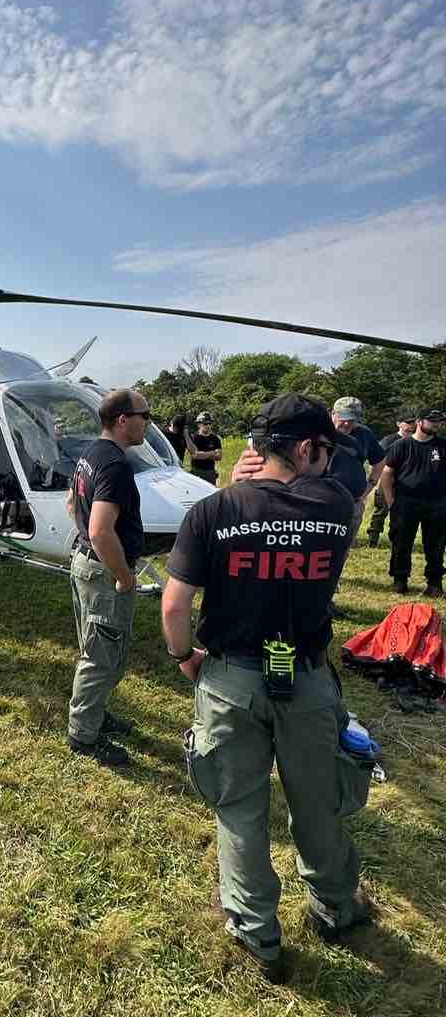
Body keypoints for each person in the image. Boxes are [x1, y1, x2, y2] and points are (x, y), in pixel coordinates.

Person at [162, 395, 372, 981]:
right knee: (319, 801)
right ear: (306, 449)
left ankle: (257, 931)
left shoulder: (212, 510)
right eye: (325, 451)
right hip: (305, 678)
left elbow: (176, 603)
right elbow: (324, 498)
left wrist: (185, 658)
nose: (330, 464)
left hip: (231, 677)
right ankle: (335, 906)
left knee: (239, 807)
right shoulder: (335, 506)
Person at [64, 388, 149, 766]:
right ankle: (84, 734)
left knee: (98, 649)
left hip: (85, 563)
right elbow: (101, 530)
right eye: (145, 415)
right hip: (103, 573)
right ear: (122, 420)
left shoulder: (90, 453)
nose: (149, 422)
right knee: (101, 657)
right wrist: (124, 577)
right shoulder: (114, 464)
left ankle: (94, 712)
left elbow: (72, 505)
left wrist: (86, 540)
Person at [380, 407, 446, 597]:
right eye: (432, 420)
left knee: (436, 545)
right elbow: (387, 473)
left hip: (437, 504)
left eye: (440, 421)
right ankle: (400, 580)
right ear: (419, 421)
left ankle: (434, 583)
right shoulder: (402, 445)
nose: (437, 424)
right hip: (405, 502)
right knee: (401, 542)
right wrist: (391, 500)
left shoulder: (442, 446)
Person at [330, 397, 385, 543]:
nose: (347, 423)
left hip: (353, 503)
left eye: (352, 419)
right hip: (322, 503)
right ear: (333, 414)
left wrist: (368, 488)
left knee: (344, 551)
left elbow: (379, 461)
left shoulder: (364, 434)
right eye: (343, 418)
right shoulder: (319, 432)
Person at [366, 412, 417, 548]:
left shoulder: (416, 441)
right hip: (387, 480)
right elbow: (377, 460)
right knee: (381, 511)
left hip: (407, 483)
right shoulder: (389, 440)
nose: (411, 426)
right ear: (399, 424)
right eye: (407, 422)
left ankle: (400, 540)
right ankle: (373, 540)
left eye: (413, 423)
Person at [186, 412, 222, 485]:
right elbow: (195, 455)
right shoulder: (194, 438)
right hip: (197, 472)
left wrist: (202, 454)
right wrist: (212, 453)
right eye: (205, 424)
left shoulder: (215, 439)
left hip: (210, 473)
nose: (208, 426)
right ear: (199, 424)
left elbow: (219, 456)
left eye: (210, 423)